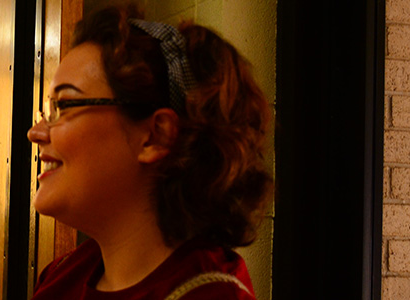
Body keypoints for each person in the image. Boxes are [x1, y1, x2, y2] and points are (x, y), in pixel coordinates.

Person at [27, 4, 272, 300]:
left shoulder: (210, 295)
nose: (36, 132)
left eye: (64, 106)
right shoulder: (62, 276)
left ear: (155, 135)